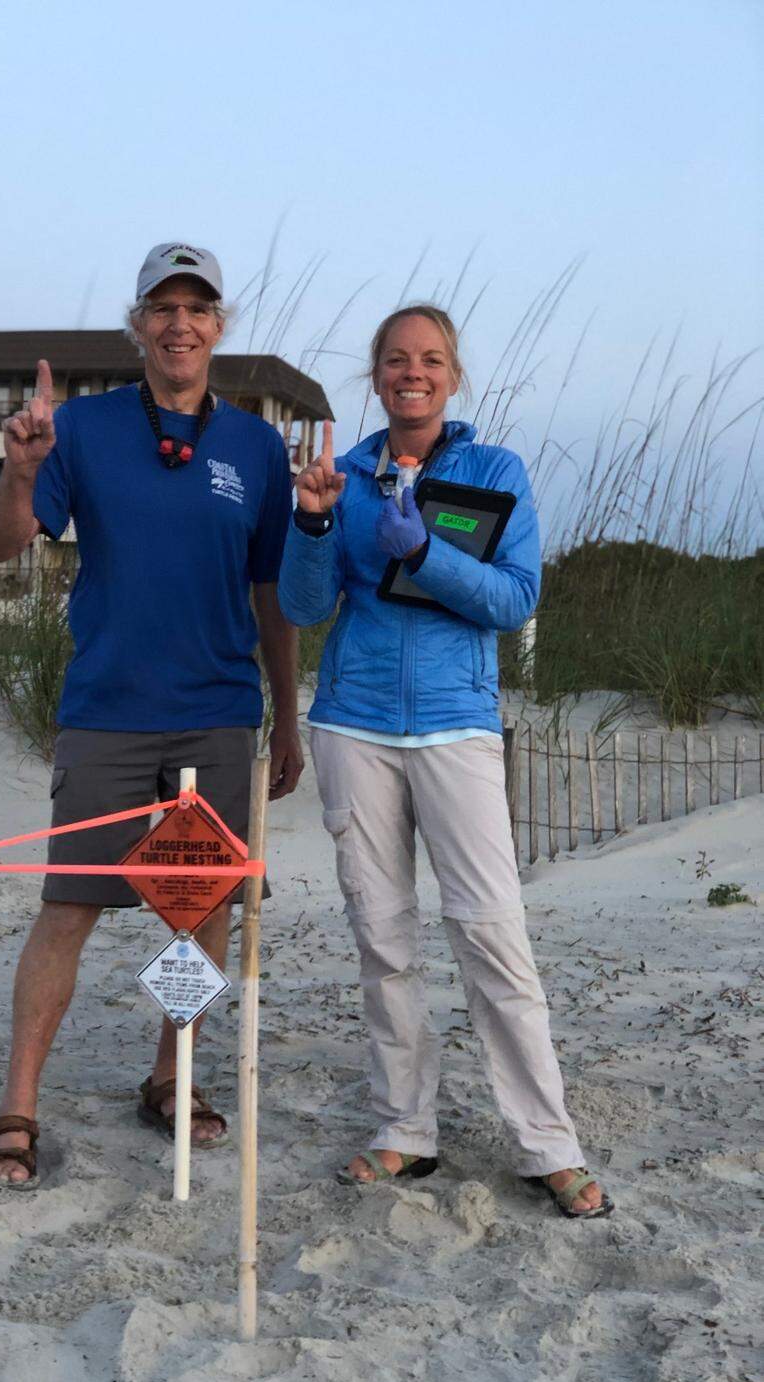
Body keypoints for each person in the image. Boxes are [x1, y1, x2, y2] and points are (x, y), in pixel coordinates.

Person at [0, 242, 304, 1186]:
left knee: (198, 910)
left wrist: (285, 718)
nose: (179, 324)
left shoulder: (252, 447)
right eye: (162, 307)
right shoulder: (77, 429)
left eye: (197, 308)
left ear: (219, 326)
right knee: (69, 905)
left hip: (216, 717)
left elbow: (272, 593)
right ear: (139, 326)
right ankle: (18, 1104)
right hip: (109, 712)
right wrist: (21, 470)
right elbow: (5, 547)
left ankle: (172, 1074)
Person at [278, 303, 612, 1219]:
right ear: (377, 375)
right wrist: (310, 523)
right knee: (382, 938)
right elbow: (307, 610)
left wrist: (425, 552)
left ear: (453, 376)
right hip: (355, 726)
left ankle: (547, 1143)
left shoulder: (495, 471)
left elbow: (514, 600)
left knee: (490, 930)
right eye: (395, 360)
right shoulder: (341, 476)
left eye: (429, 360)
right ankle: (403, 1130)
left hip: (458, 727)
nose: (411, 373)